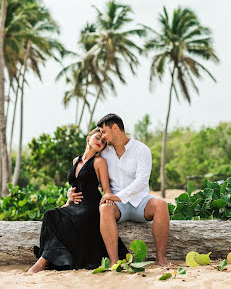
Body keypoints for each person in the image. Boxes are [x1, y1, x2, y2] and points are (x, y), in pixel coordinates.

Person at [69, 114, 170, 266]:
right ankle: (115, 262)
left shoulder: (141, 150)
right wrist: (69, 192)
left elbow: (142, 181)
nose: (102, 136)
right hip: (117, 207)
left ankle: (161, 259)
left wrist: (118, 196)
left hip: (140, 202)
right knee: (104, 208)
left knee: (161, 205)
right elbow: (83, 173)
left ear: (115, 128)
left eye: (103, 131)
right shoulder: (103, 152)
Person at [27, 128, 127, 273]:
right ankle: (48, 257)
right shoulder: (76, 160)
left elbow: (106, 189)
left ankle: (43, 261)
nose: (100, 142)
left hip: (91, 206)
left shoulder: (99, 162)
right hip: (74, 205)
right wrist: (69, 198)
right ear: (88, 138)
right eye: (98, 138)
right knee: (50, 215)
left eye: (104, 141)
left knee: (71, 220)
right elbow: (75, 186)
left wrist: (108, 202)